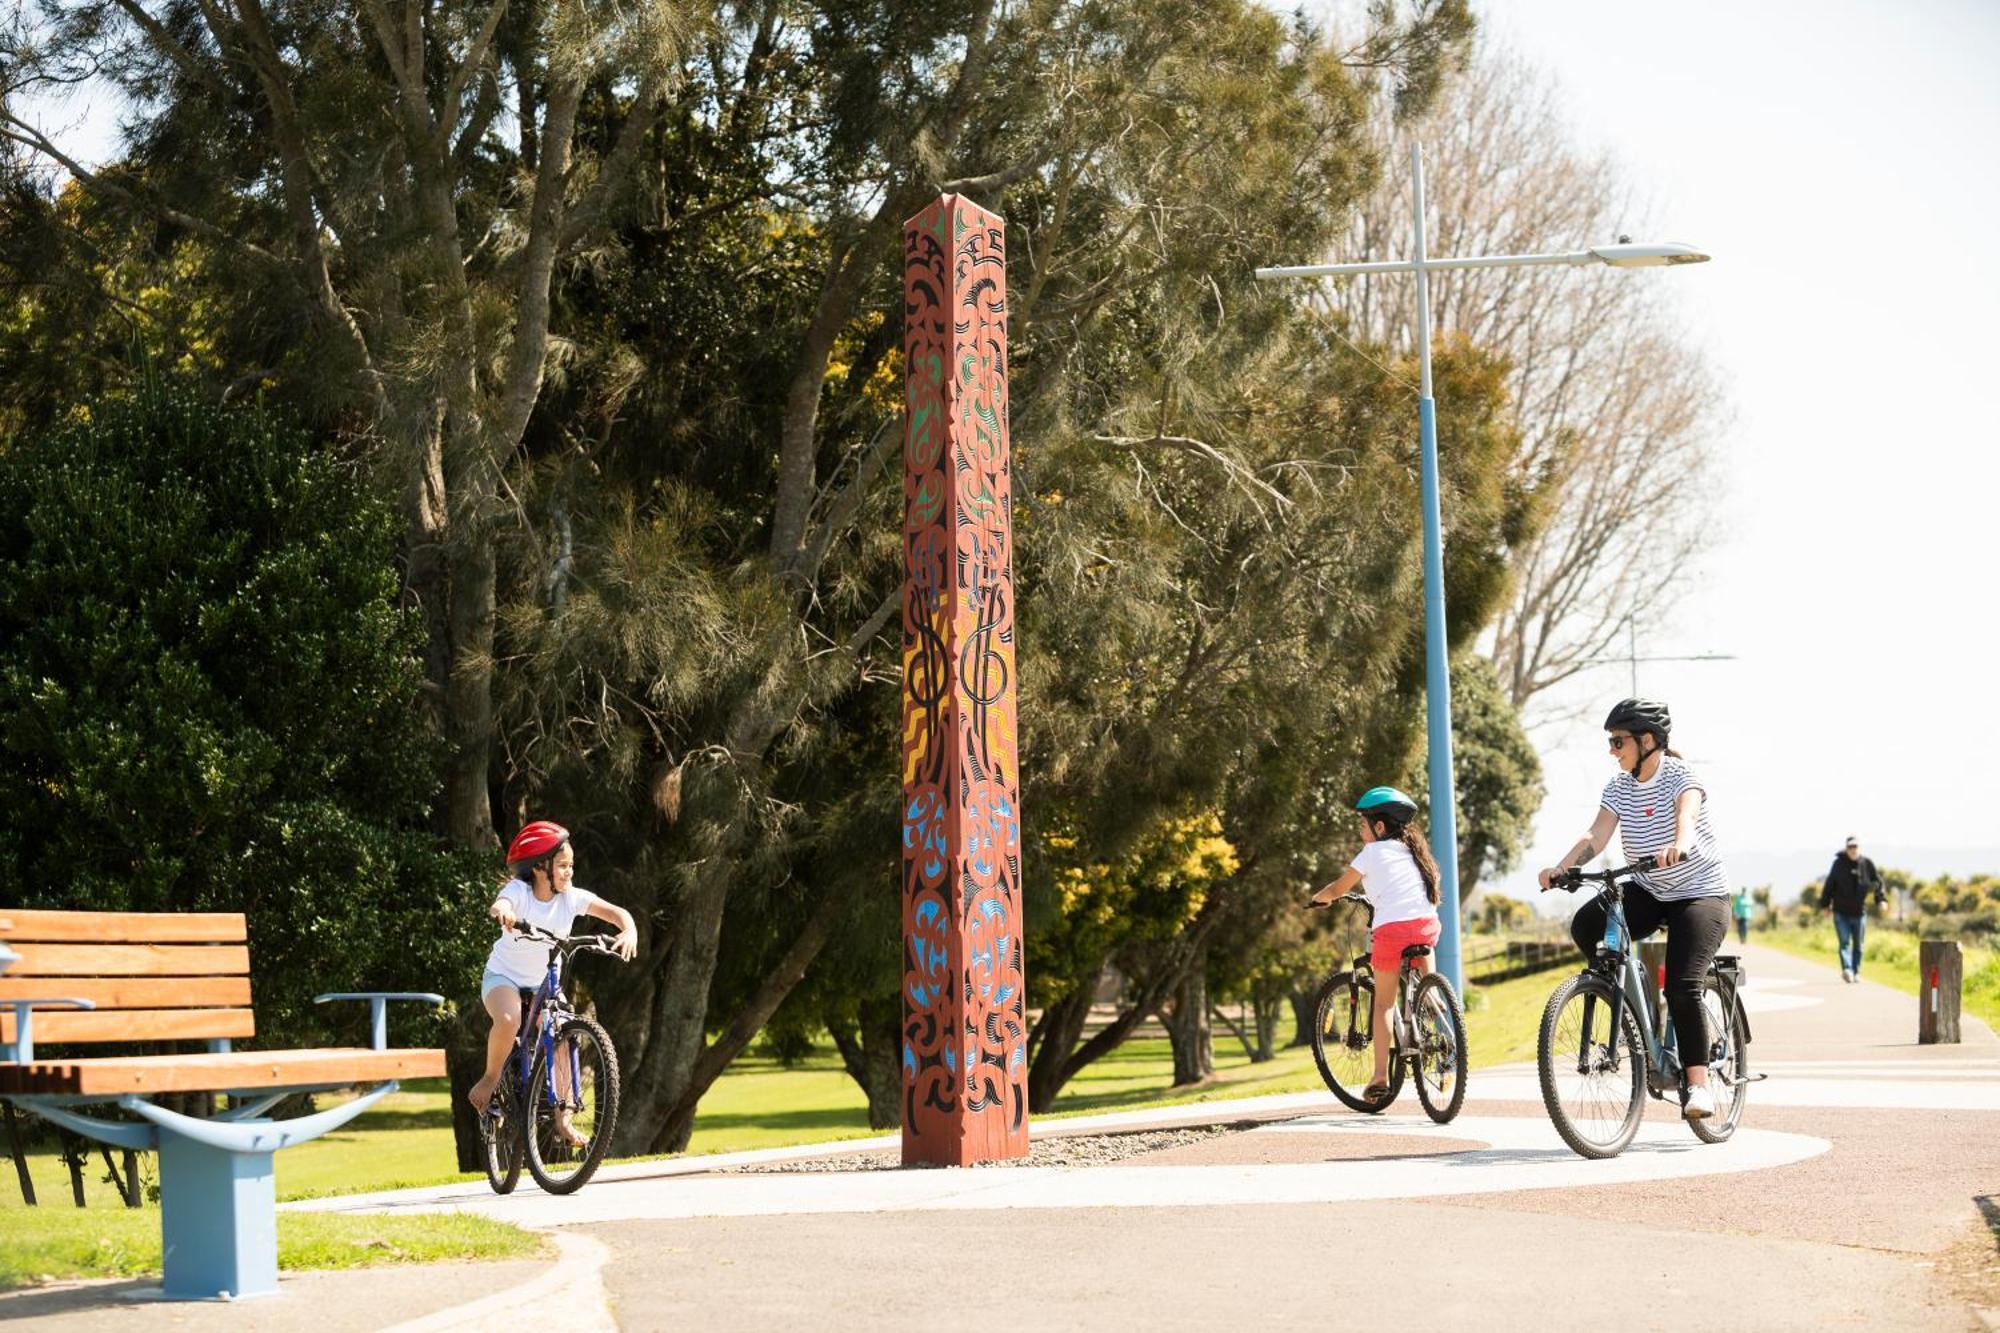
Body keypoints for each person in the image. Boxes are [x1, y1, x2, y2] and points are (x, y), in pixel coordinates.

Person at [1537, 698, 1732, 1121]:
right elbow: (1597, 834)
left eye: (1618, 741)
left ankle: (1697, 1087)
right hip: (1648, 888)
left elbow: (1688, 815)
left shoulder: (1681, 775)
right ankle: (1624, 995)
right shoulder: (1619, 786)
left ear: (1647, 741)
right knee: (1588, 923)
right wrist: (1563, 867)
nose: (1612, 750)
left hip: (1700, 894)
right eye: (1610, 742)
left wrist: (1680, 844)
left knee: (1682, 985)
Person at [468, 820, 639, 1143]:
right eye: (562, 865)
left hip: (544, 982)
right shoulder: (520, 892)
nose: (569, 872)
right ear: (539, 868)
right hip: (504, 977)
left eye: (571, 865)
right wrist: (503, 913)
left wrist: (628, 930)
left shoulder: (571, 898)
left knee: (563, 1037)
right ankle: (490, 1079)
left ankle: (564, 1120)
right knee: (509, 1019)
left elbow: (618, 914)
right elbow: (501, 904)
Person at [1310, 786, 1442, 1104]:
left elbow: (1340, 887)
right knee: (1426, 983)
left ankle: (1380, 1077)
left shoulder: (1372, 853)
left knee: (1384, 1004)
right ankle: (1441, 1023)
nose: (1360, 830)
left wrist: (1320, 898)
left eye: (1362, 824)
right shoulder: (1415, 851)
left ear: (1378, 827)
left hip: (1392, 930)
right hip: (1426, 926)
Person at [1819, 836, 1884, 983]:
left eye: (1855, 847)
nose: (1853, 850)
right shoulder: (1838, 864)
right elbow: (1829, 885)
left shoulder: (1866, 864)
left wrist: (1880, 899)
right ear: (1846, 848)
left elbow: (1878, 881)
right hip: (1840, 912)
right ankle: (1847, 969)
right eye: (1850, 847)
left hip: (1859, 912)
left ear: (1859, 848)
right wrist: (1825, 905)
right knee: (1844, 942)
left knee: (1859, 945)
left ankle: (1856, 971)